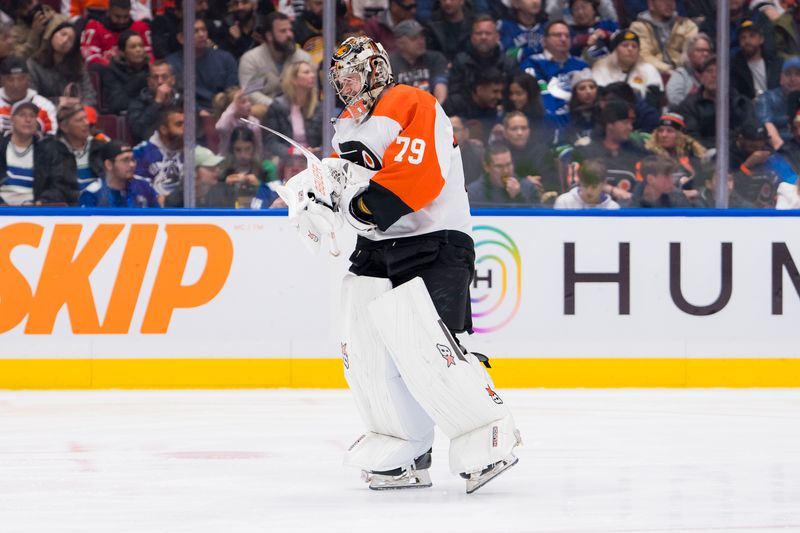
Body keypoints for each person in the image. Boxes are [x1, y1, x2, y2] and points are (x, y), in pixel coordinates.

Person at [296, 35, 522, 492]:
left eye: (354, 74)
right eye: (340, 79)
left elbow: (417, 174)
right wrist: (320, 198)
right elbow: (349, 188)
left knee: (431, 346)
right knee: (365, 350)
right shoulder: (346, 128)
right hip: (379, 247)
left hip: (435, 240)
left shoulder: (410, 102)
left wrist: (360, 209)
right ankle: (404, 448)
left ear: (377, 70)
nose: (346, 85)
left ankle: (486, 436)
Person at [0, 101, 77, 206]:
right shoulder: (1, 147)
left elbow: (62, 186)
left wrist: (41, 202)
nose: (28, 120)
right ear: (12, 120)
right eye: (22, 115)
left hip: (35, 212)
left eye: (32, 116)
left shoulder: (50, 150)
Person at [238, 11, 312, 118]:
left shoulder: (303, 58)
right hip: (264, 116)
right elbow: (251, 93)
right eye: (283, 31)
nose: (289, 35)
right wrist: (277, 107)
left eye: (290, 30)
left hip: (300, 114)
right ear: (269, 36)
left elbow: (311, 91)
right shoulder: (252, 59)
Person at [520, 20, 591, 130]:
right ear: (545, 40)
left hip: (578, 121)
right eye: (557, 35)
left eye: (567, 36)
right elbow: (537, 92)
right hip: (544, 123)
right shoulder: (533, 63)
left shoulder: (581, 65)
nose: (563, 39)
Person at [166, 18, 238, 113]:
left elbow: (232, 92)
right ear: (181, 38)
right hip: (188, 114)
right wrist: (198, 111)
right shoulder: (171, 63)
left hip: (224, 112)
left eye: (204, 30)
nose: (201, 35)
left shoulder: (225, 58)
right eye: (195, 31)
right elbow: (178, 96)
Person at [27, 22, 97, 107]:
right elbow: (31, 97)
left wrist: (79, 107)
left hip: (73, 114)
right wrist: (57, 101)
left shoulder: (78, 67)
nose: (64, 41)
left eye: (70, 40)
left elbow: (90, 95)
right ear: (53, 34)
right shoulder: (33, 64)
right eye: (62, 34)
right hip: (44, 113)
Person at [263, 60, 322, 158]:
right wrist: (292, 152)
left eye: (312, 72)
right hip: (286, 159)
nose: (312, 75)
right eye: (306, 72)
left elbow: (327, 138)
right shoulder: (277, 106)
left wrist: (318, 150)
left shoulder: (318, 107)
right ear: (294, 79)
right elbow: (271, 142)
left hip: (314, 158)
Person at [81, 140, 159, 207]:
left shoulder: (144, 187)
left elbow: (158, 217)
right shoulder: (92, 194)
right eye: (125, 160)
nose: (132, 165)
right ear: (109, 165)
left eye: (133, 159)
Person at [628, 0, 698, 74]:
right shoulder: (638, 27)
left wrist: (681, 70)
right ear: (651, 4)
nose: (669, 4)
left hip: (685, 74)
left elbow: (691, 51)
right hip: (652, 75)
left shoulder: (686, 25)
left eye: (672, 1)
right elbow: (643, 56)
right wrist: (669, 70)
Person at [389, 19, 449, 105]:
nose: (421, 41)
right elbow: (389, 97)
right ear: (400, 43)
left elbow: (440, 86)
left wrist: (436, 110)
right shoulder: (389, 64)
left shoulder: (435, 58)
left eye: (422, 37)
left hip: (432, 110)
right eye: (414, 38)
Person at [591, 30, 663, 101]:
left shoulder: (648, 69)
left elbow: (655, 97)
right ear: (615, 50)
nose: (630, 49)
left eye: (634, 46)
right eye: (625, 45)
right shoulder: (601, 68)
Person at [79, 0, 152, 67]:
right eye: (117, 16)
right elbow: (90, 58)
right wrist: (115, 68)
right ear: (109, 11)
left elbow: (149, 57)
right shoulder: (95, 27)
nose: (122, 21)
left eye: (126, 17)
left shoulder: (140, 27)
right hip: (105, 75)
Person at [133, 104, 184, 198]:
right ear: (164, 129)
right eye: (179, 124)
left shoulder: (193, 151)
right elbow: (137, 188)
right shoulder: (141, 153)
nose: (184, 129)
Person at [467, 141, 541, 206]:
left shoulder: (528, 188)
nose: (506, 171)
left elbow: (539, 218)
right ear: (487, 167)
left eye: (509, 164)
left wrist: (518, 197)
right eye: (499, 166)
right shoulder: (473, 194)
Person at [57, 103, 107, 195]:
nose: (86, 123)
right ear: (64, 127)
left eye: (86, 118)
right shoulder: (53, 151)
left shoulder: (100, 147)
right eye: (80, 120)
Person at [0, 55, 57, 135]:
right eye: (10, 79)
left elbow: (51, 140)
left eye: (21, 79)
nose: (16, 85)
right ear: (2, 80)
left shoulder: (44, 105)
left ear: (28, 79)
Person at [127, 60, 181, 143]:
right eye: (155, 77)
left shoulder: (182, 101)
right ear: (149, 82)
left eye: (164, 77)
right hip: (150, 148)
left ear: (173, 80)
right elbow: (137, 131)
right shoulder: (138, 102)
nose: (160, 82)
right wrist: (157, 103)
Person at [731, 18, 782, 100]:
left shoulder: (776, 64)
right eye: (743, 37)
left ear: (761, 39)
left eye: (752, 36)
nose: (747, 41)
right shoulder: (734, 68)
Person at [754, 56, 800, 149]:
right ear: (781, 78)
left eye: (798, 74)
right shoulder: (767, 98)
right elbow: (767, 126)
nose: (792, 79)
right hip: (779, 150)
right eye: (788, 74)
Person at [101, 29, 149, 114]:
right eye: (133, 47)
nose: (139, 50)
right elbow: (117, 103)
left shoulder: (150, 69)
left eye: (141, 46)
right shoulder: (112, 71)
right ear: (122, 52)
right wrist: (137, 80)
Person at [630, 154, 698, 207]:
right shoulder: (634, 201)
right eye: (666, 177)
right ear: (650, 179)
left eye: (671, 176)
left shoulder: (677, 196)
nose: (671, 182)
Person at [665, 32, 713, 107]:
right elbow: (674, 98)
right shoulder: (681, 73)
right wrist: (696, 110)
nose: (705, 54)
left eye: (708, 51)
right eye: (700, 50)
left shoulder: (714, 75)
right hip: (684, 115)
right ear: (690, 53)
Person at [213, 86, 263, 157]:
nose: (248, 104)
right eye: (243, 102)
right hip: (226, 161)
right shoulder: (228, 121)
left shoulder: (254, 122)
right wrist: (234, 103)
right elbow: (220, 127)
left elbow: (258, 147)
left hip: (247, 160)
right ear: (232, 106)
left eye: (249, 101)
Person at [554, 158, 620, 208]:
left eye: (594, 187)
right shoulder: (564, 202)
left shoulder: (612, 208)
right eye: (585, 186)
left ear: (604, 184)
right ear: (579, 182)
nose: (589, 191)